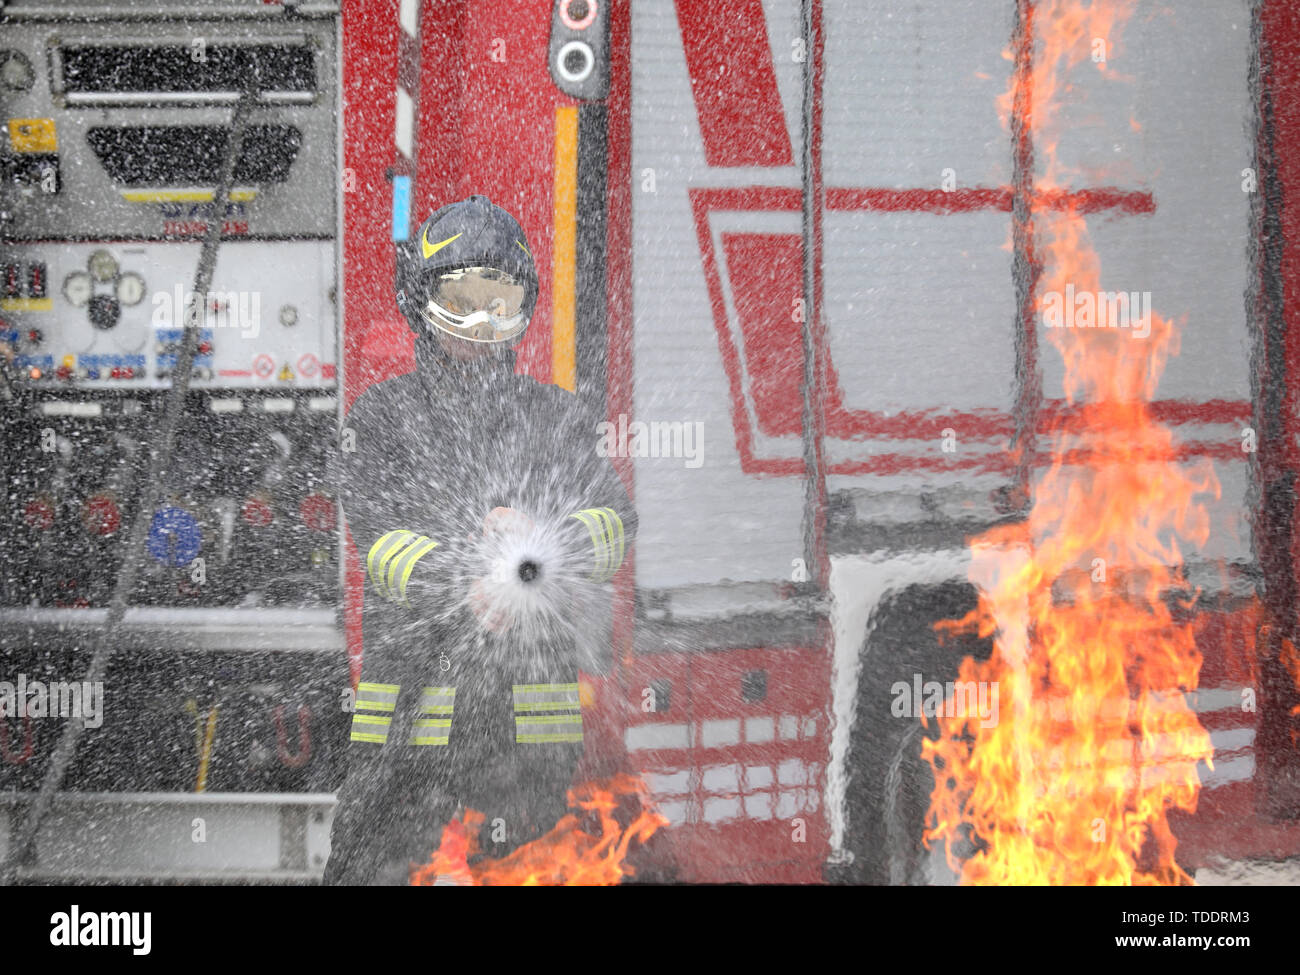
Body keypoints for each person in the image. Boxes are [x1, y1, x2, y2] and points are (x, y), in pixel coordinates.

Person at [323, 195, 635, 884]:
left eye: (499, 300)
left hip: (530, 765)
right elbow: (383, 545)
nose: (481, 322)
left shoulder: (556, 418)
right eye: (460, 299)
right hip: (404, 758)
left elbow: (613, 520)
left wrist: (548, 543)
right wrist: (476, 565)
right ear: (419, 302)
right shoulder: (382, 418)